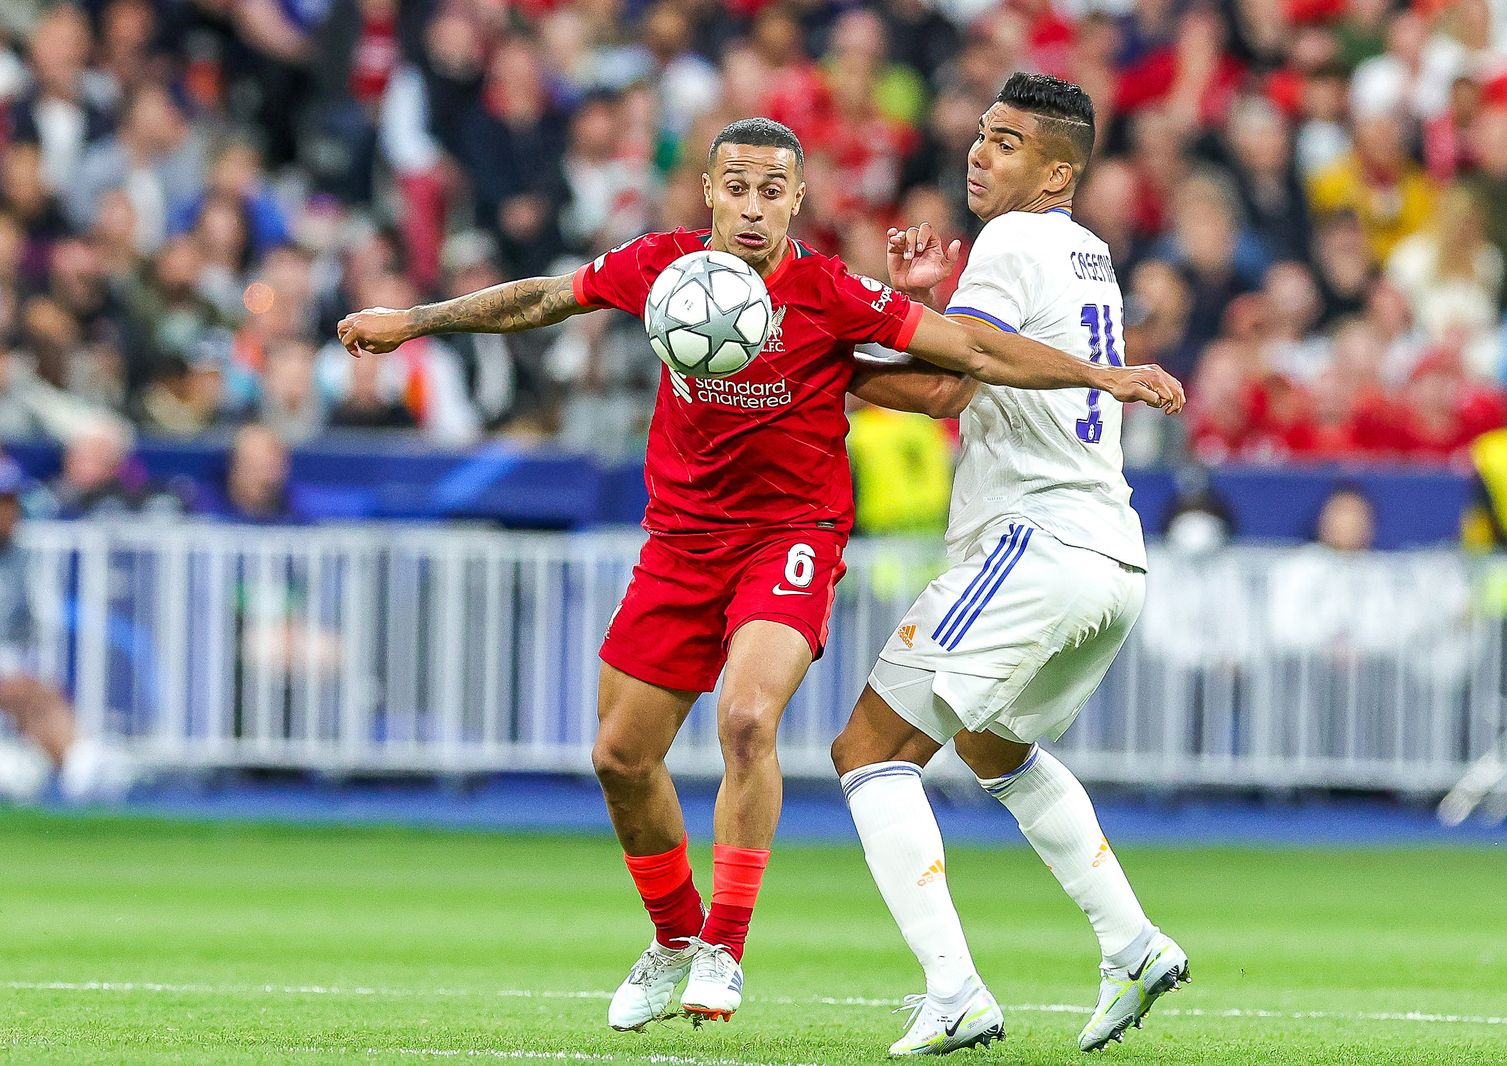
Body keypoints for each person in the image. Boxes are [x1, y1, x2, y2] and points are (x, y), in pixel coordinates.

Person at [337, 116, 1183, 1033]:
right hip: (681, 539)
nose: (751, 207)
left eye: (771, 191)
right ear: (708, 192)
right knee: (620, 756)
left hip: (793, 533)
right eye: (735, 188)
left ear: (798, 199)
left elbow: (969, 356)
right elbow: (548, 298)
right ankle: (674, 941)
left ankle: (725, 952)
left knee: (748, 719)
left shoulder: (830, 289)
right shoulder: (663, 267)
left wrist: (1104, 374)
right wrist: (411, 322)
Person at [827, 74, 1191, 1057]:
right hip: (1110, 557)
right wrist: (915, 307)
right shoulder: (1086, 251)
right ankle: (1130, 941)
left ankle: (951, 991)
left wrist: (827, 364)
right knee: (989, 747)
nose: (981, 153)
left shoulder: (1014, 241)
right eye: (982, 135)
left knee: (867, 751)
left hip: (1033, 541)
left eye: (1009, 142)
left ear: (1057, 171)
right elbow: (972, 358)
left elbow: (953, 379)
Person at [0, 459, 135, 804]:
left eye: (12, 501)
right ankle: (80, 763)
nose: (9, 512)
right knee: (25, 688)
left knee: (35, 689)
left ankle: (79, 760)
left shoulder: (18, 557)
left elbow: (26, 630)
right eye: (3, 502)